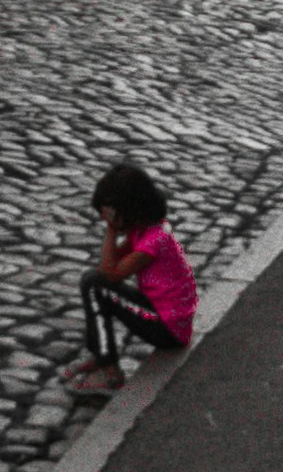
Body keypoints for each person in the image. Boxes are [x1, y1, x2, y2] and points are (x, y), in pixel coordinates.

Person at [67, 157, 197, 395]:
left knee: (96, 286)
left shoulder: (153, 241)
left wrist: (111, 229)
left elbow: (110, 273)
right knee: (93, 281)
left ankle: (109, 370)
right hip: (164, 316)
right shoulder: (147, 229)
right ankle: (102, 357)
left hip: (168, 329)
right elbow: (111, 261)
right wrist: (115, 231)